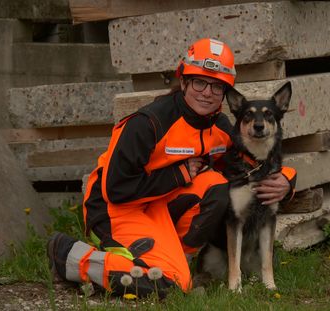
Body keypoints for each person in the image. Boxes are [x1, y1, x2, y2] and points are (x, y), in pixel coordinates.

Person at [47, 38, 296, 298]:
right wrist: (178, 174)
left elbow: (246, 166)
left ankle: (175, 257)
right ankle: (71, 256)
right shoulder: (148, 123)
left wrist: (287, 180)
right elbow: (115, 189)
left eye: (217, 86)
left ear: (226, 92)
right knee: (170, 283)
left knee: (218, 187)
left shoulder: (220, 128)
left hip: (162, 205)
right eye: (200, 82)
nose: (207, 92)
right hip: (117, 209)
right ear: (184, 81)